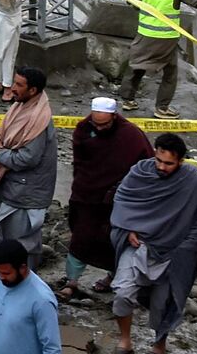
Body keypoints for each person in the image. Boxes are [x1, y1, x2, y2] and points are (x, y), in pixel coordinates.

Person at [107, 133, 197, 354]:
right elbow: (123, 199)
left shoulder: (195, 183)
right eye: (159, 160)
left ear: (181, 162)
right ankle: (125, 341)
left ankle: (159, 346)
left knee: (163, 302)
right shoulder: (139, 173)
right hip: (138, 246)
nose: (162, 167)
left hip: (172, 252)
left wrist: (188, 244)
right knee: (123, 293)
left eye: (169, 163)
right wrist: (127, 230)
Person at [0, 67, 56, 326]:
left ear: (33, 90)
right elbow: (2, 136)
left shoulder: (38, 121)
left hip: (22, 199)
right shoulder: (19, 109)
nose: (12, 89)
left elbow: (26, 158)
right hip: (6, 191)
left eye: (19, 85)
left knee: (19, 256)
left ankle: (16, 314)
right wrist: (1, 149)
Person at [59, 98, 152, 302]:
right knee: (80, 236)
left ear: (114, 117)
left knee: (114, 241)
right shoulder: (84, 129)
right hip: (87, 196)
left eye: (105, 124)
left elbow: (146, 166)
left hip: (118, 201)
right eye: (96, 124)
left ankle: (112, 276)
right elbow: (80, 163)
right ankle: (71, 281)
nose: (99, 129)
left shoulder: (131, 135)